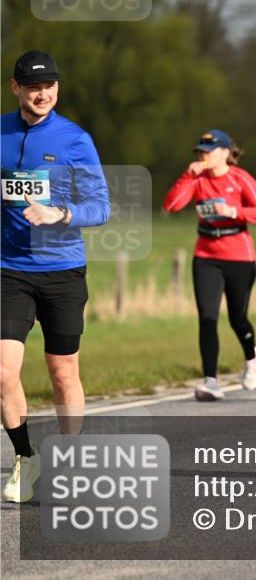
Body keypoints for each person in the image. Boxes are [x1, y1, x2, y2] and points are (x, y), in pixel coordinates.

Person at [1, 51, 111, 502]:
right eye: (31, 86)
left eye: (48, 86)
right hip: (9, 270)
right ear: (16, 89)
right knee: (3, 371)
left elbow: (101, 206)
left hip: (62, 270)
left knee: (63, 373)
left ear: (57, 89)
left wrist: (60, 213)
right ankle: (26, 459)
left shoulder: (75, 140)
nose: (40, 93)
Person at [163, 130, 256, 401]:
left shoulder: (240, 178)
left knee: (237, 318)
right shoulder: (197, 179)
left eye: (208, 151)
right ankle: (210, 380)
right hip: (206, 255)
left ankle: (250, 357)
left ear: (225, 153)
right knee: (208, 318)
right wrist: (187, 175)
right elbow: (172, 205)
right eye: (200, 151)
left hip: (239, 256)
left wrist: (234, 211)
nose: (203, 156)